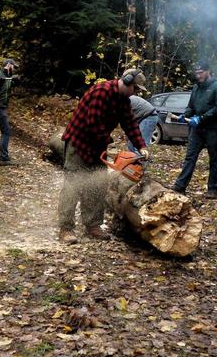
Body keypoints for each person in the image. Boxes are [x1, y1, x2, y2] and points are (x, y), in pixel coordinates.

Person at [58, 69, 150, 244]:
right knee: (72, 186)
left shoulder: (124, 100)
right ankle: (66, 228)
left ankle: (92, 225)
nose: (137, 93)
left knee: (98, 186)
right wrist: (111, 143)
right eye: (136, 89)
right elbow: (94, 123)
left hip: (97, 145)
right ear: (128, 81)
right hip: (79, 143)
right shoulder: (102, 91)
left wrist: (141, 145)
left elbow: (130, 123)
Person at [172, 62, 217, 199]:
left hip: (212, 129)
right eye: (196, 73)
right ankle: (180, 186)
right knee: (190, 157)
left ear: (208, 71)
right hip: (196, 129)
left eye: (201, 72)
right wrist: (186, 115)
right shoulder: (196, 87)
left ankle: (212, 189)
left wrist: (201, 118)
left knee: (213, 159)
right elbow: (191, 106)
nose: (198, 75)